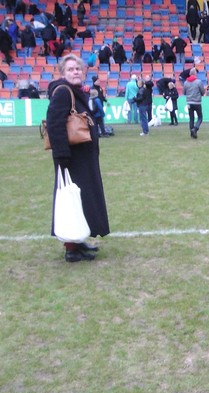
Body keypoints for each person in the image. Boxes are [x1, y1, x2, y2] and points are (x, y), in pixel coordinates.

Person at [46, 54, 110, 262]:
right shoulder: (63, 92)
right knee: (72, 201)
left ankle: (79, 241)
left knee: (82, 200)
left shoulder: (76, 93)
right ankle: (71, 248)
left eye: (78, 69)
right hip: (71, 159)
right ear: (63, 73)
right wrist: (62, 154)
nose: (75, 72)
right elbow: (55, 124)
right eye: (70, 69)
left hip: (82, 158)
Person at [183, 67, 204, 139]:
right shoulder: (198, 82)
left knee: (191, 118)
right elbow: (202, 92)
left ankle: (192, 133)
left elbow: (184, 92)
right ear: (195, 74)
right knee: (200, 117)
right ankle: (195, 129)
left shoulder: (185, 82)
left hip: (189, 102)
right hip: (197, 102)